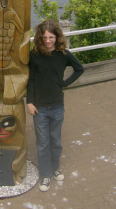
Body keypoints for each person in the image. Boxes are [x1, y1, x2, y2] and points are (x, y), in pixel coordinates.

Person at [26, 19, 84, 191]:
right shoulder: (34, 55)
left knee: (55, 141)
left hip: (57, 106)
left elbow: (79, 69)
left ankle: (55, 168)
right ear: (40, 37)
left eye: (51, 37)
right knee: (43, 143)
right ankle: (45, 175)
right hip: (39, 108)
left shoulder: (63, 54)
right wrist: (29, 102)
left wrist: (65, 83)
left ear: (57, 37)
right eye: (44, 37)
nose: (48, 40)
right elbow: (31, 80)